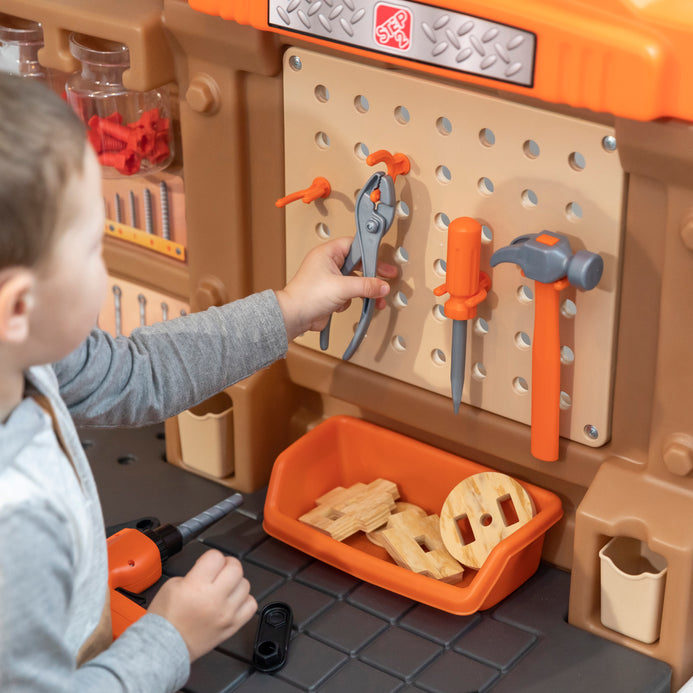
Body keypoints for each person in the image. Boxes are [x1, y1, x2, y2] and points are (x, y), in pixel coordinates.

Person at [0, 73, 395, 691]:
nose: (103, 265)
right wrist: (172, 637)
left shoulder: (24, 360)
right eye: (92, 248)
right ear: (19, 306)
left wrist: (290, 309)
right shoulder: (16, 525)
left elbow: (137, 373)